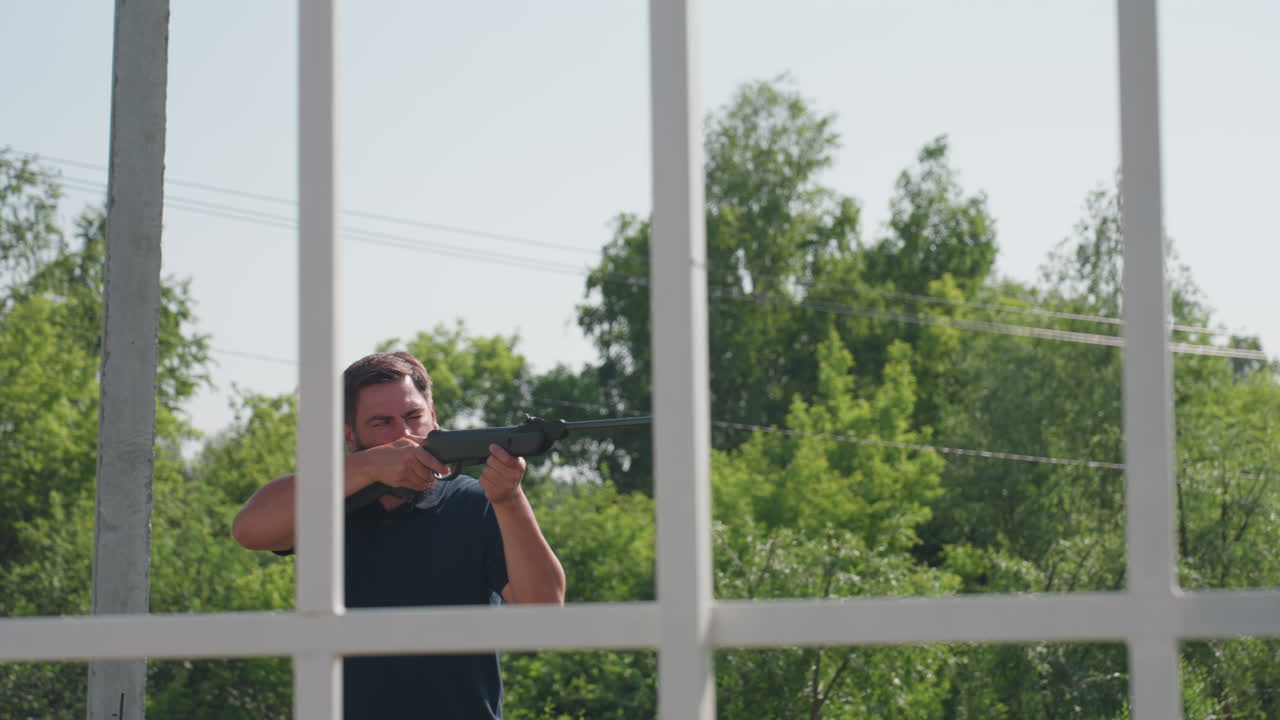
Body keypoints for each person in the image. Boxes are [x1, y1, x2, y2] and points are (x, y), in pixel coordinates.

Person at [232, 351, 565, 720]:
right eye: (381, 423)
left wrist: (509, 499)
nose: (404, 435)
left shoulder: (477, 502)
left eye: (413, 417)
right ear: (350, 437)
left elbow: (546, 614)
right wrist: (373, 465)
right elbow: (249, 529)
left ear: (433, 416)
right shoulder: (327, 503)